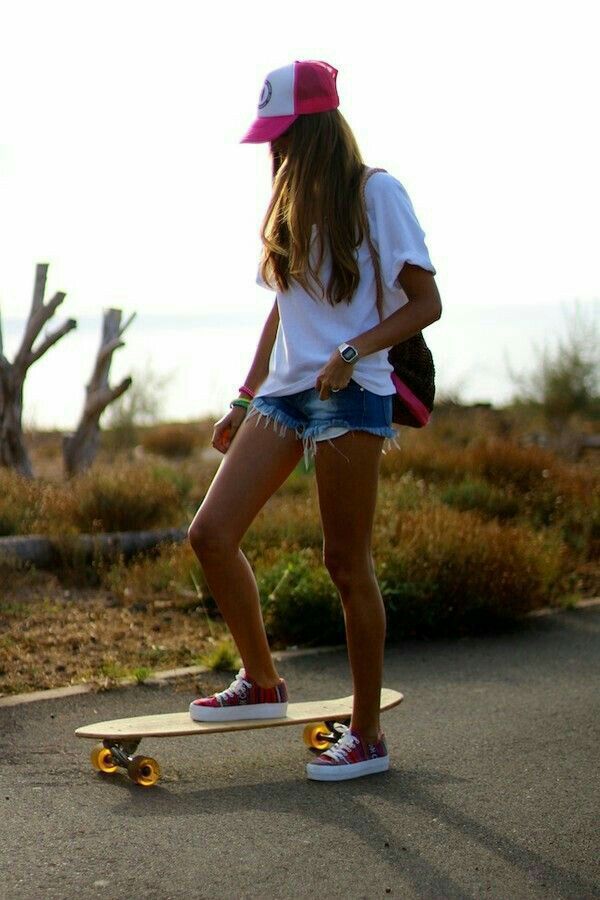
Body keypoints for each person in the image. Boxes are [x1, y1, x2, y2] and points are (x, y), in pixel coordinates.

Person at [187, 60, 442, 781]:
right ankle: (262, 682)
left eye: (283, 133)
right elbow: (284, 304)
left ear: (315, 128)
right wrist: (244, 397)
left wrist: (353, 350)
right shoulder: (292, 203)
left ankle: (366, 735)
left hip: (353, 390)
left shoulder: (377, 193)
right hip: (287, 395)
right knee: (210, 533)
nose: (275, 149)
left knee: (343, 563)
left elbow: (426, 303)